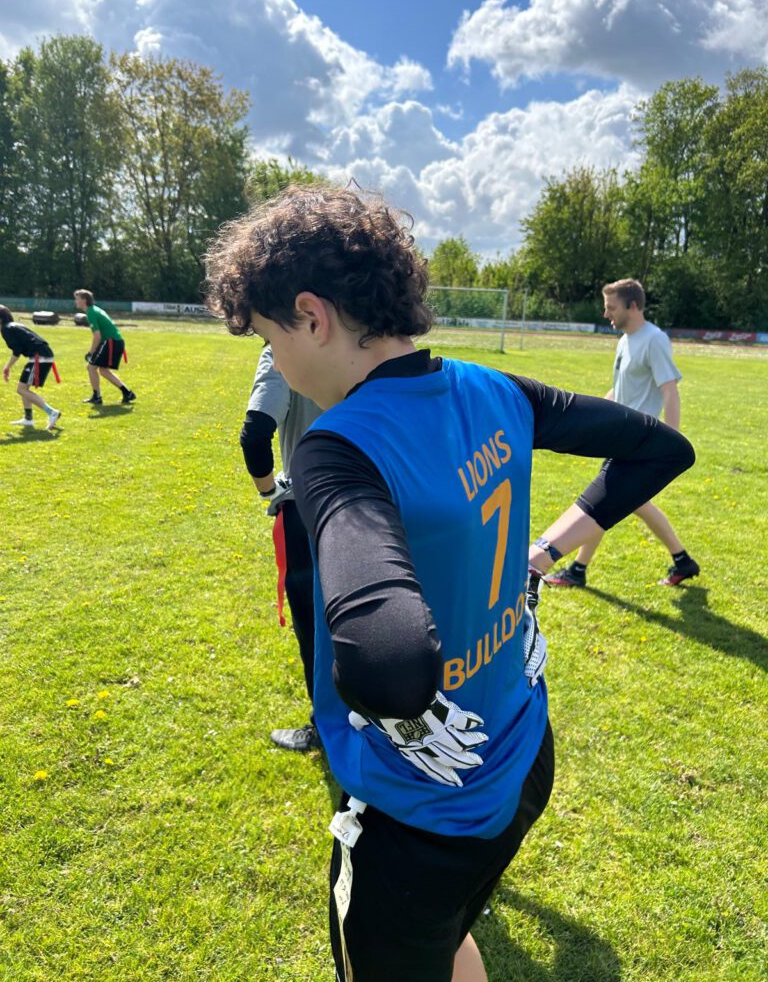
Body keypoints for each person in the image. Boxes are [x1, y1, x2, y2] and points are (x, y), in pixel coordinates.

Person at [204, 186, 695, 982]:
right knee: (449, 935)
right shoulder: (493, 388)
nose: (277, 363)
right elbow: (661, 449)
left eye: (268, 337)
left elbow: (391, 662)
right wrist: (540, 557)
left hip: (420, 813)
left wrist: (400, 701)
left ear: (312, 316)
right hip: (521, 755)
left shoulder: (338, 445)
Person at [545, 278, 700, 589]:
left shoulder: (654, 339)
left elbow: (670, 390)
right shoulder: (625, 340)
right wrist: (593, 416)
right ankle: (683, 560)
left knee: (603, 504)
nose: (606, 314)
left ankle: (577, 569)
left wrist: (670, 443)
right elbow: (620, 389)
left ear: (633, 306)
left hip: (639, 442)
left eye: (611, 307)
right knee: (620, 503)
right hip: (620, 436)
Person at [241, 344, 322, 751]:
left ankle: (327, 727)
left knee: (315, 625)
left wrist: (269, 490)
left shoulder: (283, 347)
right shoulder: (371, 333)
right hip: (380, 499)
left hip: (310, 507)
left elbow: (255, 434)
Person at [1, 305, 61, 430]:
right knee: (24, 388)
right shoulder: (14, 325)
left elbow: (17, 350)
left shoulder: (6, 329)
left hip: (39, 358)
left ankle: (52, 412)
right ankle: (28, 419)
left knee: (21, 389)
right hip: (42, 356)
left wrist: (7, 367)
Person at [73, 289, 136, 405]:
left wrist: (91, 352)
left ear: (84, 300)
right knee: (103, 370)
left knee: (91, 367)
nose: (75, 301)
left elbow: (97, 336)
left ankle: (97, 397)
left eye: (77, 299)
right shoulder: (94, 309)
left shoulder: (91, 312)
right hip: (114, 342)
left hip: (111, 342)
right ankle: (127, 393)